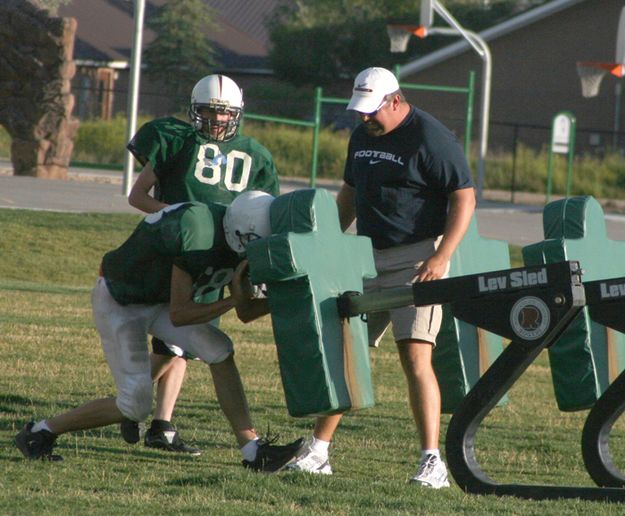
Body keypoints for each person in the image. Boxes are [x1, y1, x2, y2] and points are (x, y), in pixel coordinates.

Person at [15, 191, 303, 472]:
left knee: (220, 350)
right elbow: (181, 314)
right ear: (241, 233)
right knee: (134, 406)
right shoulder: (197, 230)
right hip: (121, 301)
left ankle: (253, 451)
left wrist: (291, 296)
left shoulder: (235, 234)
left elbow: (246, 312)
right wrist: (233, 299)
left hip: (157, 301)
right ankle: (40, 431)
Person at [287, 67, 476, 488]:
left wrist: (442, 256)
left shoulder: (430, 136)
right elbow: (351, 193)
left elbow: (464, 196)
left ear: (394, 100)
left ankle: (433, 462)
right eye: (360, 111)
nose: (365, 118)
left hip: (415, 260)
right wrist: (331, 243)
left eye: (372, 111)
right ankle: (319, 451)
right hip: (365, 258)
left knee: (415, 357)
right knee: (346, 352)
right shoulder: (362, 135)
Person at [125, 74, 280, 454]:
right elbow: (137, 196)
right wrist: (178, 218)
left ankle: (159, 421)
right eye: (210, 111)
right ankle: (132, 405)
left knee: (186, 340)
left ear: (238, 114)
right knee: (178, 336)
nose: (217, 120)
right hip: (178, 250)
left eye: (225, 113)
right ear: (195, 111)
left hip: (224, 252)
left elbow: (265, 214)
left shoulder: (257, 156)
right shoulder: (178, 142)